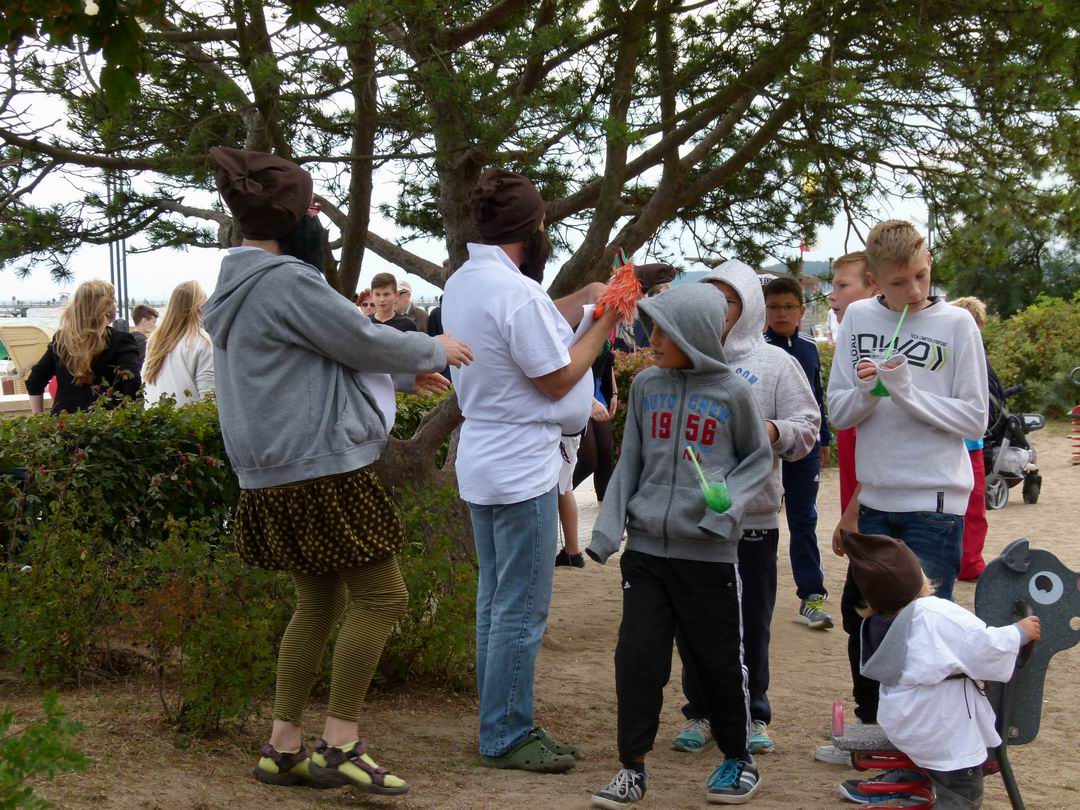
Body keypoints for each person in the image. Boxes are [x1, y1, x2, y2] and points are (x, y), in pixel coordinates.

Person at [201, 146, 472, 794]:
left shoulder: (234, 287)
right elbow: (359, 337)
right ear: (293, 219)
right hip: (322, 470)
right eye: (310, 211)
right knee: (384, 597)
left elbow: (314, 357)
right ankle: (341, 744)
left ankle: (282, 748)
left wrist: (403, 374)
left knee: (318, 600)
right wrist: (433, 347)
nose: (316, 222)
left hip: (270, 475)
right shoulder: (287, 281)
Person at [441, 167, 619, 773]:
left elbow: (537, 315)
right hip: (522, 466)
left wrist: (588, 298)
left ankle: (499, 720)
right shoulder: (515, 293)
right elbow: (558, 379)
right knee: (521, 607)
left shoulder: (468, 281)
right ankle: (506, 733)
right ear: (534, 230)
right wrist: (605, 322)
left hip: (486, 458)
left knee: (496, 601)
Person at [586, 283, 774, 808]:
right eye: (652, 327)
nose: (653, 339)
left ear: (694, 333)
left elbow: (757, 460)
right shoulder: (648, 385)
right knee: (636, 660)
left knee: (718, 662)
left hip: (708, 555)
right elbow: (630, 460)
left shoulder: (734, 392)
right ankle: (632, 768)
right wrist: (606, 533)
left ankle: (737, 758)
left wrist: (723, 513)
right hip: (646, 555)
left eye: (665, 330)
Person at [827, 219, 988, 744]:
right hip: (876, 499)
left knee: (925, 629)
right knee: (866, 620)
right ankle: (877, 729)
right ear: (874, 280)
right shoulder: (857, 318)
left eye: (921, 276)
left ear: (930, 264)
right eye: (899, 282)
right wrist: (869, 392)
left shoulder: (956, 325)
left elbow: (975, 419)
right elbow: (838, 412)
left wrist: (907, 391)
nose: (915, 291)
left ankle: (929, 743)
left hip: (935, 504)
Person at [670, 260, 819, 757]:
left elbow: (808, 424)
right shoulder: (683, 359)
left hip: (752, 517)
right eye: (709, 298)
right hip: (691, 517)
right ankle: (701, 711)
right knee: (695, 620)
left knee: (751, 621)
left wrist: (772, 431)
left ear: (748, 306)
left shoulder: (775, 363)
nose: (717, 310)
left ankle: (753, 712)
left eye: (728, 300)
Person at [840, 529, 1040, 809]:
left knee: (935, 764)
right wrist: (1019, 632)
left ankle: (913, 784)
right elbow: (984, 647)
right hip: (944, 731)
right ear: (917, 577)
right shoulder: (936, 614)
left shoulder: (875, 623)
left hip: (907, 724)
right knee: (962, 792)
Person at [815, 250, 877, 767]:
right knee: (860, 615)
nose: (832, 296)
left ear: (873, 285)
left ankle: (876, 729)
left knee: (868, 616)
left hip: (881, 510)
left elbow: (888, 448)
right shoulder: (856, 353)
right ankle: (872, 725)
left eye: (841, 285)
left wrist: (854, 510)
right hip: (867, 507)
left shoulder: (884, 358)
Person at [762, 276, 833, 630]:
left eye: (789, 306)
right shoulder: (756, 349)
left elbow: (817, 398)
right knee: (761, 522)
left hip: (804, 448)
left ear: (802, 311)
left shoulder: (808, 347)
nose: (781, 313)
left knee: (803, 520)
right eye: (774, 307)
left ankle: (812, 596)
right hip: (764, 449)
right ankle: (753, 591)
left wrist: (824, 438)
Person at [949, 296, 1004, 582]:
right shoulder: (973, 354)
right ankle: (969, 563)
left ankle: (960, 562)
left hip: (951, 441)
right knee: (971, 509)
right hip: (968, 443)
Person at [26, 279, 141, 415]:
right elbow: (132, 384)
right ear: (104, 308)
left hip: (64, 423)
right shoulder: (121, 340)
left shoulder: (62, 340)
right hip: (106, 423)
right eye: (113, 301)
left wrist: (39, 419)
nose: (115, 305)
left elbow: (35, 380)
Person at [142, 281, 215, 407]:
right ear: (199, 307)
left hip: (154, 416)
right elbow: (209, 398)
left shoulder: (155, 341)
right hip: (188, 417)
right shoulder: (203, 342)